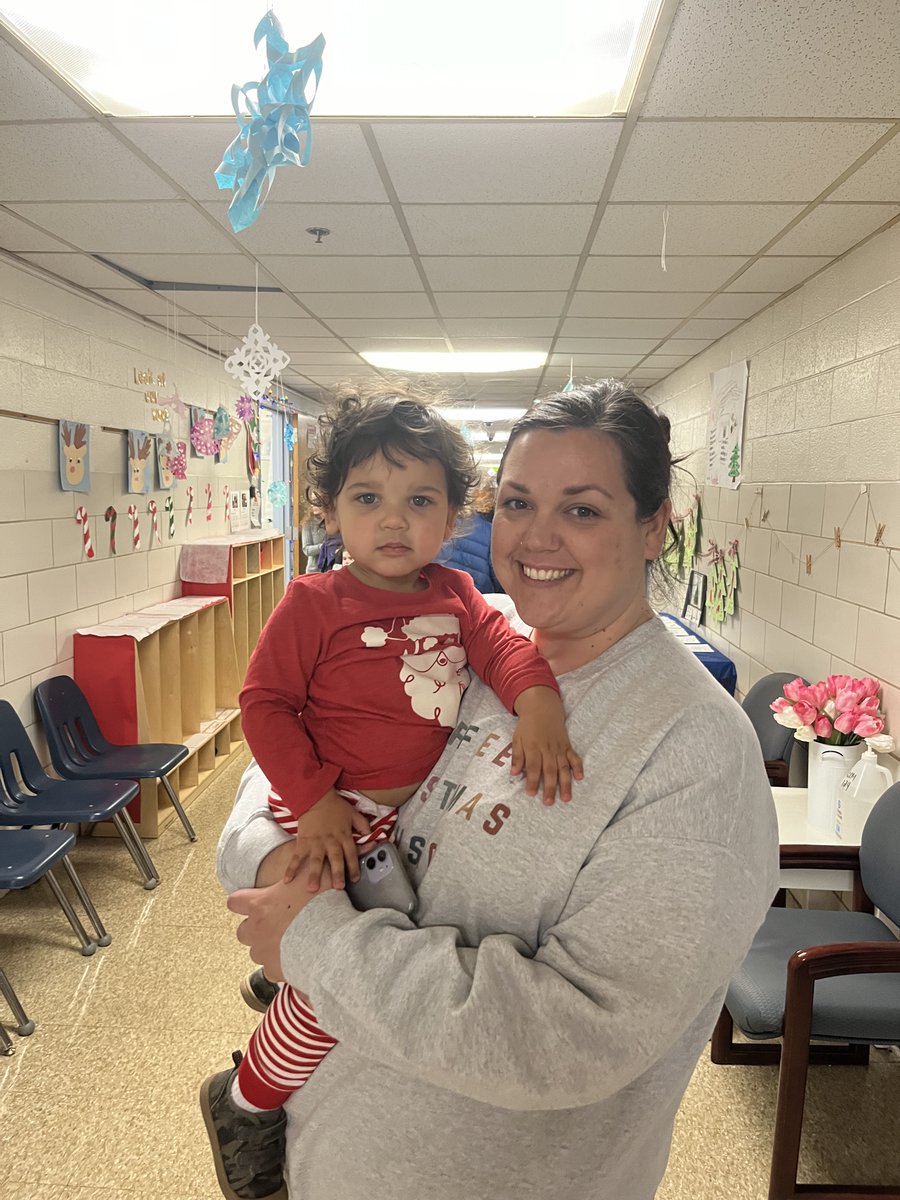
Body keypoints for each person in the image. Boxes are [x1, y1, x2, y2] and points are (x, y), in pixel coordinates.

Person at [216, 380, 780, 1200]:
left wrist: (310, 941)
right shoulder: (480, 648)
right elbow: (270, 770)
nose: (538, 536)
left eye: (582, 509)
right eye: (518, 502)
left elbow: (571, 1039)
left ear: (656, 526)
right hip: (328, 1158)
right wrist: (280, 865)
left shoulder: (692, 749)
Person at [201, 386, 582, 1200]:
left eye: (419, 501)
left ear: (454, 518)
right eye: (368, 499)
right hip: (329, 810)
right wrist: (311, 802)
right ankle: (243, 1100)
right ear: (331, 511)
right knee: (343, 982)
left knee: (374, 946)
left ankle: (282, 977)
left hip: (402, 823)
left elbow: (507, 654)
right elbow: (262, 705)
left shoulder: (456, 596)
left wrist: (539, 703)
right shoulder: (313, 602)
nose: (394, 520)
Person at [438, 475, 504, 593]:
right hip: (478, 598)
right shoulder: (491, 530)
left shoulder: (444, 520)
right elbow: (499, 576)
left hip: (439, 594)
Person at [300, 505, 326, 573]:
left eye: (317, 502)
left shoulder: (334, 521)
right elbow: (306, 550)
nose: (312, 505)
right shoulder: (309, 523)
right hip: (315, 570)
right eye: (312, 503)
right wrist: (324, 546)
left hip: (334, 568)